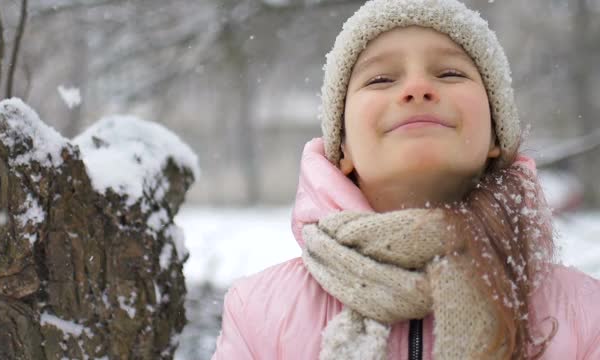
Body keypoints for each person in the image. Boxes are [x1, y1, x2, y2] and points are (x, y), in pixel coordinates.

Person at [211, 0, 600, 359]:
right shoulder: (260, 311)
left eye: (450, 72)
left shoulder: (585, 312)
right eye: (380, 79)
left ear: (496, 136)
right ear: (342, 149)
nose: (417, 89)